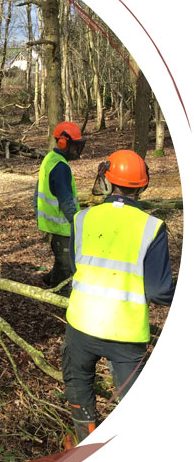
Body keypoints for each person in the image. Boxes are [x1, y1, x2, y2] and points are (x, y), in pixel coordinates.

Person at [62, 149, 175, 444]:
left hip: (81, 326)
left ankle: (85, 441)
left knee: (78, 385)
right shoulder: (153, 228)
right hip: (127, 335)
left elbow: (77, 267)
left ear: (107, 182)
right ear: (142, 185)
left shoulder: (82, 219)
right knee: (133, 402)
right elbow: (160, 291)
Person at [35, 121, 85, 288]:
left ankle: (48, 280)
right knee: (66, 264)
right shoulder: (60, 166)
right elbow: (65, 200)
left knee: (60, 258)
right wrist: (76, 222)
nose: (77, 148)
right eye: (75, 145)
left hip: (52, 223)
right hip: (62, 225)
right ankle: (60, 295)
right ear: (64, 143)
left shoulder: (50, 159)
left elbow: (37, 192)